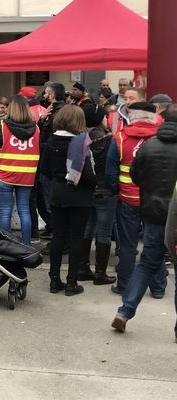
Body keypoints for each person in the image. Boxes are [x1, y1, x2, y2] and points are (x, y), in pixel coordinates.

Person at [112, 104, 177, 334]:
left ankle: (124, 311)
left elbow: (135, 176)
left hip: (152, 212)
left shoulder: (149, 148)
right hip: (175, 217)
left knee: (147, 262)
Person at [106, 100, 164, 296]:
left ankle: (124, 284)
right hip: (157, 201)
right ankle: (157, 287)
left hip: (128, 198)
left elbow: (110, 172)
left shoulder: (120, 138)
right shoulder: (162, 138)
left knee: (127, 245)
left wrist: (117, 190)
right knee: (154, 243)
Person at [41, 105, 96, 296]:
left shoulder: (51, 141)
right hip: (79, 195)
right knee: (76, 239)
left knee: (58, 236)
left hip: (57, 193)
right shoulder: (81, 143)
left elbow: (45, 170)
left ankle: (54, 279)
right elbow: (88, 175)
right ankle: (72, 282)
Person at [0, 96, 40, 245]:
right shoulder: (36, 128)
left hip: (5, 174)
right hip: (27, 175)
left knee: (5, 212)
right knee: (24, 210)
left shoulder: (3, 126)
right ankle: (26, 244)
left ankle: (6, 244)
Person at [79, 104, 117, 285]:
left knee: (88, 226)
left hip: (87, 189)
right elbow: (111, 168)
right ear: (99, 119)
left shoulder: (80, 137)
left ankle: (82, 267)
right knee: (104, 230)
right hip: (105, 190)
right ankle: (100, 273)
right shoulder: (109, 140)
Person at [37, 82, 65, 242]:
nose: (44, 96)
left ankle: (57, 236)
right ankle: (53, 230)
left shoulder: (57, 113)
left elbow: (47, 138)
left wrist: (42, 120)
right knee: (45, 200)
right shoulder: (53, 111)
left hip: (50, 164)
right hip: (48, 164)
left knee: (49, 201)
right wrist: (41, 119)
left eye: (46, 93)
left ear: (52, 95)